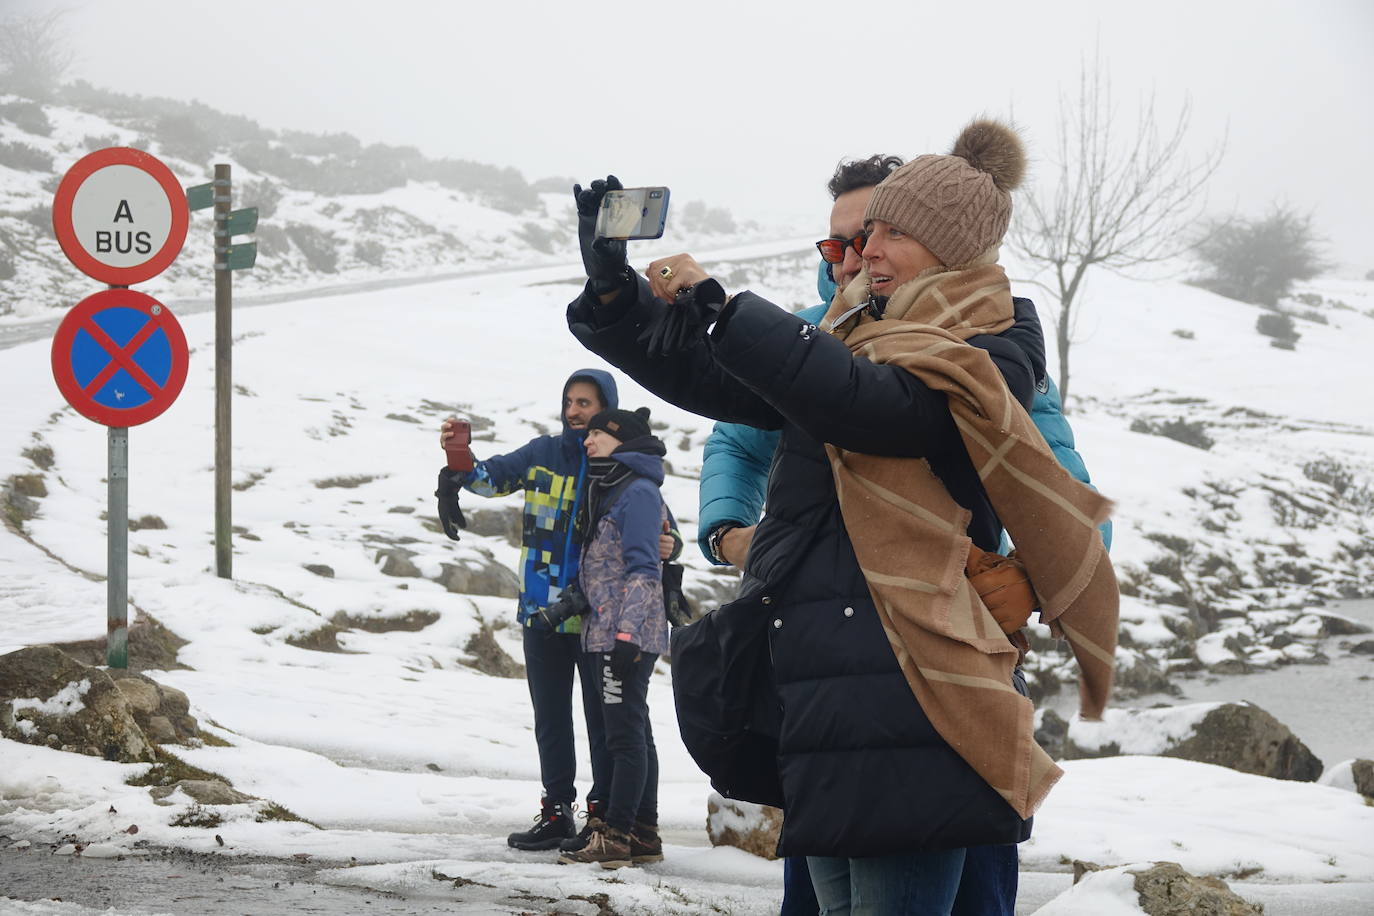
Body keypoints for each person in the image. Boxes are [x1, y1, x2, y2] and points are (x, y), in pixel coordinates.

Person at [566, 119, 1119, 913]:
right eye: (847, 244)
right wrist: (615, 292)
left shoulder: (985, 345)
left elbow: (909, 422)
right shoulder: (844, 336)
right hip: (825, 684)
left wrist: (1033, 578)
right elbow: (716, 384)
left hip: (924, 687)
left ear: (946, 244)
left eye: (881, 235)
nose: (858, 257)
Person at [436, 370, 679, 851]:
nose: (574, 411)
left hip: (597, 617)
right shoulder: (543, 454)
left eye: (585, 403)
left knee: (604, 725)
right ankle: (556, 813)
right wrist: (456, 461)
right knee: (550, 718)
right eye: (569, 401)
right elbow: (489, 478)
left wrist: (668, 547)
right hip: (541, 609)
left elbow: (661, 530)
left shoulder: (615, 462)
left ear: (605, 409)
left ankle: (603, 816)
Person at [557, 406, 672, 868]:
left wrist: (626, 633)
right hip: (609, 630)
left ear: (620, 439)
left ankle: (616, 836)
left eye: (597, 435)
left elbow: (646, 569)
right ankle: (643, 834)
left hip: (623, 635)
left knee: (624, 738)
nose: (587, 442)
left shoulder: (638, 492)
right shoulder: (615, 487)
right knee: (635, 734)